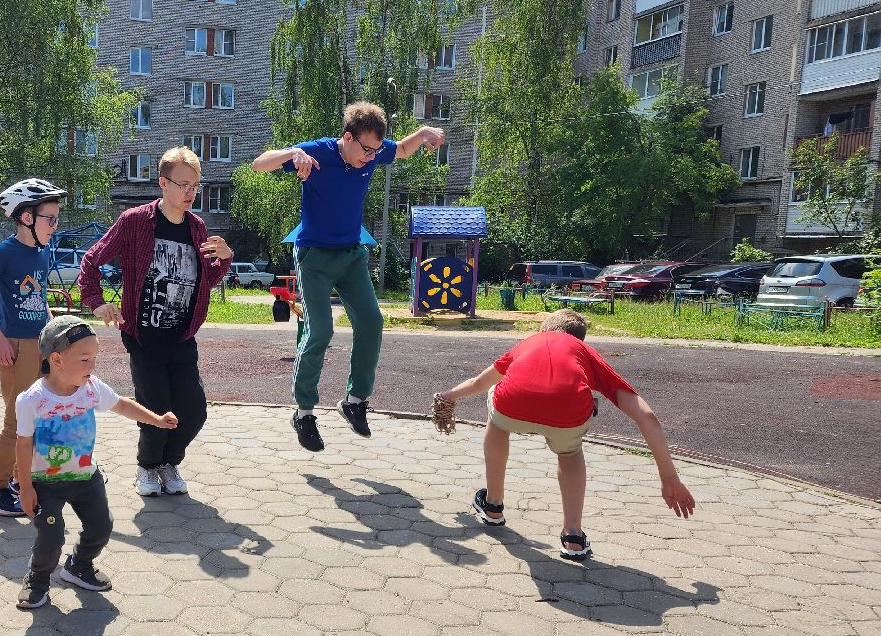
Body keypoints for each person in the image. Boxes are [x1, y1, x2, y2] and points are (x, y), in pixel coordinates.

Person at [251, 101, 444, 453]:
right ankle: (304, 412)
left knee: (372, 322)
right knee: (320, 330)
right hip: (314, 256)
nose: (370, 158)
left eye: (375, 151)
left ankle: (355, 401)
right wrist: (293, 153)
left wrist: (423, 133)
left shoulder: (375, 151)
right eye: (366, 150)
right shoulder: (318, 152)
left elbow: (400, 150)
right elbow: (259, 163)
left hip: (352, 254)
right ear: (347, 137)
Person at [434, 309, 696, 559]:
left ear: (543, 329)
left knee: (497, 411)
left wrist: (447, 397)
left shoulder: (529, 342)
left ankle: (492, 506)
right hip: (567, 413)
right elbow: (646, 415)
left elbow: (480, 382)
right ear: (580, 338)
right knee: (569, 453)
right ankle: (573, 537)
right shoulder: (584, 352)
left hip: (512, 406)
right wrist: (668, 477)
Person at [78, 146, 232, 496]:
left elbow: (204, 280)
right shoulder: (135, 221)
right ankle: (147, 467)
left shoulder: (197, 227)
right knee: (155, 408)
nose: (191, 193)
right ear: (163, 183)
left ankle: (169, 462)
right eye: (183, 185)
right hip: (144, 336)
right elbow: (92, 259)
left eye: (196, 186)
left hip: (181, 337)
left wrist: (225, 259)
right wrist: (97, 301)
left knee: (193, 411)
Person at [15, 316, 177, 609]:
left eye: (94, 358)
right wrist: (25, 487)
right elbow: (23, 444)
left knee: (102, 526)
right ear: (56, 359)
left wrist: (156, 419)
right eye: (85, 359)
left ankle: (78, 566)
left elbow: (122, 404)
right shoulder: (32, 400)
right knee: (50, 536)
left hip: (85, 478)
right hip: (45, 484)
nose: (92, 367)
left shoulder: (91, 388)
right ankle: (38, 580)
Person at [0, 179, 66, 517]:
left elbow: (38, 298)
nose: (55, 226)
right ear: (26, 217)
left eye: (56, 219)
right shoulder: (6, 251)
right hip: (15, 346)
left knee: (36, 415)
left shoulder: (43, 250)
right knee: (16, 419)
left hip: (39, 342)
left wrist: (54, 331)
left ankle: (15, 479)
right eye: (49, 219)